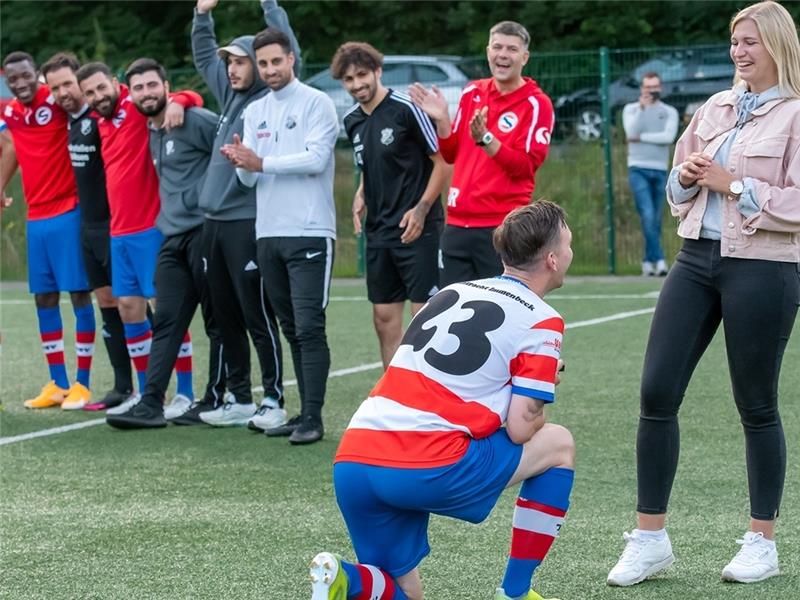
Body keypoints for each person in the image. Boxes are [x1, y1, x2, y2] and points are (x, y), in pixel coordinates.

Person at [607, 0, 800, 587]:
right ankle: (649, 539)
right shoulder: (714, 106)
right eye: (735, 41)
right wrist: (686, 177)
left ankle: (761, 543)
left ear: (777, 46)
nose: (739, 51)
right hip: (695, 260)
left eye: (751, 42)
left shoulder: (796, 116)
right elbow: (676, 187)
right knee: (656, 390)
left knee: (756, 403)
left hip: (764, 268)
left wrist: (735, 184)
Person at [309, 200, 575, 600]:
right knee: (558, 444)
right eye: (569, 244)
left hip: (356, 457)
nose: (571, 252)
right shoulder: (543, 318)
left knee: (406, 594)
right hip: (426, 462)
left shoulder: (449, 292)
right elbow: (521, 428)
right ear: (553, 259)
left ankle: (347, 580)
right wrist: (534, 390)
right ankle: (516, 592)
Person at [222, 28, 338, 444]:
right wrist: (240, 160)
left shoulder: (317, 102)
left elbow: (316, 158)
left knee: (309, 327)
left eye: (276, 61)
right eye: (263, 63)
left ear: (291, 59)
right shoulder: (255, 110)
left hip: (309, 231)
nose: (270, 69)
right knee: (290, 327)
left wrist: (261, 161)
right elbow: (249, 179)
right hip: (268, 234)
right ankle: (301, 414)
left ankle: (313, 418)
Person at [190, 0, 298, 428]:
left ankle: (272, 397)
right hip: (211, 223)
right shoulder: (229, 94)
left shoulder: (265, 98)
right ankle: (238, 396)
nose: (232, 69)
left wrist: (270, 6)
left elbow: (288, 48)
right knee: (224, 314)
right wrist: (202, 15)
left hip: (244, 223)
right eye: (229, 63)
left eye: (240, 62)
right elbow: (202, 54)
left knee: (256, 314)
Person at [107, 58, 228, 429]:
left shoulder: (191, 118)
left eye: (152, 86)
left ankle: (221, 398)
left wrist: (185, 99)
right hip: (171, 237)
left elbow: (229, 143)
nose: (146, 93)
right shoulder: (150, 128)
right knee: (166, 321)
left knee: (218, 320)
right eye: (138, 88)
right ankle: (151, 403)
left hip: (206, 232)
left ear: (166, 86)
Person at [75, 61, 202, 414]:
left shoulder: (136, 107)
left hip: (150, 228)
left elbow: (185, 96)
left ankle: (186, 393)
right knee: (130, 309)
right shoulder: (99, 122)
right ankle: (148, 393)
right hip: (119, 233)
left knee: (165, 311)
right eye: (90, 93)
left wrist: (182, 100)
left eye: (102, 88)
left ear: (116, 84)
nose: (98, 96)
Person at [331, 42, 449, 369]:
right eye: (348, 79)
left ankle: (432, 396)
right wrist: (360, 194)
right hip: (379, 231)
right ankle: (396, 397)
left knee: (425, 317)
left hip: (418, 229)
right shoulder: (352, 120)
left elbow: (442, 163)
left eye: (362, 75)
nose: (357, 84)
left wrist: (423, 209)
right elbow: (371, 167)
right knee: (384, 317)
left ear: (378, 72)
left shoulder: (406, 108)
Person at [409, 21, 554, 287]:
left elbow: (525, 166)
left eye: (511, 49)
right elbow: (451, 153)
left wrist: (487, 140)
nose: (503, 54)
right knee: (454, 313)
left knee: (497, 315)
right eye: (497, 46)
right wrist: (442, 120)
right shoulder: (472, 91)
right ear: (488, 51)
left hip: (502, 227)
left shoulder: (536, 104)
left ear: (524, 57)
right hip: (456, 225)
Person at [0, 51, 96, 410]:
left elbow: (113, 95)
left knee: (79, 294)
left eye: (27, 76)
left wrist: (185, 97)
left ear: (37, 76)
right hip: (35, 219)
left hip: (69, 210)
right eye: (14, 79)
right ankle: (58, 383)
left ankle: (82, 384)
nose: (21, 84)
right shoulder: (9, 111)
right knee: (44, 298)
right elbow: (9, 144)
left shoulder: (59, 101)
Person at [40, 51, 134, 410]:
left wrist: (187, 98)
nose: (63, 92)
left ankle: (154, 387)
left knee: (135, 306)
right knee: (108, 304)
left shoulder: (102, 117)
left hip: (118, 225)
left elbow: (137, 100)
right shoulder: (66, 120)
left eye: (68, 84)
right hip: (88, 227)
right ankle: (122, 387)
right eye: (56, 87)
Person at [622, 72, 679, 277]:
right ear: (642, 89)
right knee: (646, 214)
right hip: (638, 168)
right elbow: (630, 132)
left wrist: (641, 137)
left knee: (654, 219)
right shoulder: (631, 110)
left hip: (660, 168)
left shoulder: (669, 111)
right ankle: (660, 260)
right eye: (647, 87)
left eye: (654, 87)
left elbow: (667, 137)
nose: (651, 91)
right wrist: (642, 110)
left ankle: (648, 261)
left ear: (660, 88)